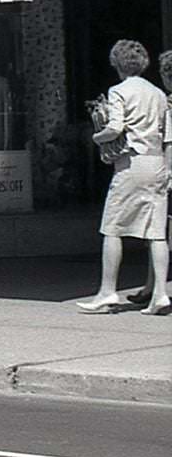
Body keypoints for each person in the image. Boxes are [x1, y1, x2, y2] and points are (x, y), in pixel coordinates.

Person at [78, 40, 169, 315]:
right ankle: (161, 294)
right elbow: (166, 134)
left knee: (113, 227)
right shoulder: (158, 94)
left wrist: (97, 136)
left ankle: (107, 291)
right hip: (157, 162)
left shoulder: (119, 91)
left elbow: (116, 127)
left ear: (117, 64)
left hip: (131, 163)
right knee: (156, 233)